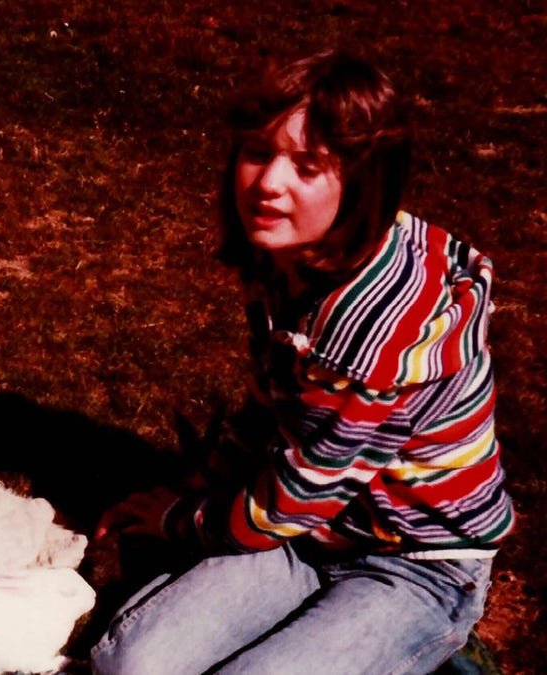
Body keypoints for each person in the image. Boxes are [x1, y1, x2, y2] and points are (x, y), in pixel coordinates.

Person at [90, 51, 515, 674]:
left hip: (416, 560)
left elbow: (292, 500)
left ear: (361, 181)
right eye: (258, 152)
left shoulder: (374, 332)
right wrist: (202, 490)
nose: (267, 184)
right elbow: (274, 405)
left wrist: (184, 522)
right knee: (133, 664)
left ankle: (429, 641)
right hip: (308, 528)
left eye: (307, 166)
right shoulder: (291, 258)